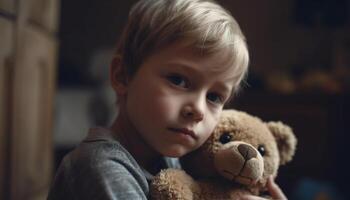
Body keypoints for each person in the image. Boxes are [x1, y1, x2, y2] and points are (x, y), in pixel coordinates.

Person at [47, 0, 287, 199]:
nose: (198, 110)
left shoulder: (170, 162)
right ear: (122, 75)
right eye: (178, 80)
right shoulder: (100, 167)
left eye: (214, 96)